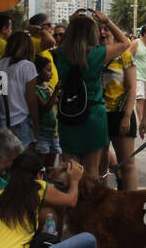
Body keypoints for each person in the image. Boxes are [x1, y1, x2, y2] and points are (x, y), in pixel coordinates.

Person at [53, 10, 132, 180]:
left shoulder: (61, 54)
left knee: (69, 167)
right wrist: (108, 21)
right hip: (93, 115)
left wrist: (72, 23)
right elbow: (125, 43)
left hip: (68, 113)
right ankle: (89, 205)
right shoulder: (98, 54)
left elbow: (65, 42)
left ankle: (71, 204)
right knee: (92, 169)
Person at [98, 21, 138, 188]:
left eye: (106, 30)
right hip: (98, 115)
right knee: (100, 164)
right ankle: (103, 203)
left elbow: (131, 88)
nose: (102, 33)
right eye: (99, 30)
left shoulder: (124, 56)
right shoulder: (93, 55)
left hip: (121, 114)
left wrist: (127, 116)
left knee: (127, 164)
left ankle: (131, 206)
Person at [0, 30, 40, 150]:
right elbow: (31, 99)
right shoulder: (27, 66)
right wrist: (36, 124)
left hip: (2, 121)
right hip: (21, 120)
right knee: (23, 163)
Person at [33, 55, 61, 160]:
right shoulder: (35, 91)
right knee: (41, 163)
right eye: (48, 70)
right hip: (43, 133)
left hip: (54, 132)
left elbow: (56, 102)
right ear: (38, 71)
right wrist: (55, 92)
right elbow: (46, 109)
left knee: (51, 166)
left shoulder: (48, 87)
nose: (51, 73)